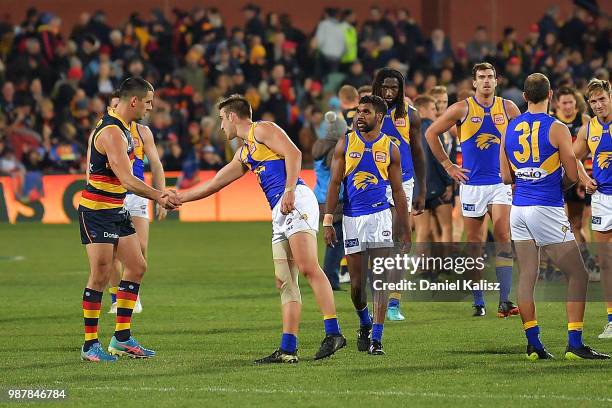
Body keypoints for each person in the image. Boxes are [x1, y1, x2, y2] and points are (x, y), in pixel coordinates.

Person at [178, 94, 346, 363]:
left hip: (296, 200)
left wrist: (290, 190)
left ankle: (333, 332)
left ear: (233, 116)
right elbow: (215, 183)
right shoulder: (244, 152)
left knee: (307, 267)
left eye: (222, 120)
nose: (221, 127)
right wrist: (180, 197)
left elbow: (294, 153)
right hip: (279, 211)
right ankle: (288, 348)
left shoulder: (263, 129)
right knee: (284, 280)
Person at [500, 73, 608, 360]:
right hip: (546, 206)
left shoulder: (510, 127)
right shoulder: (557, 127)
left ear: (524, 96)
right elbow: (573, 175)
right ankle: (574, 342)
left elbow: (504, 175)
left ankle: (534, 344)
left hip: (519, 209)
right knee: (578, 274)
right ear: (550, 97)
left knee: (527, 276)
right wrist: (551, 186)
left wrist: (526, 181)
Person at [78, 77, 178, 362]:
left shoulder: (124, 129)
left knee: (136, 266)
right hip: (97, 212)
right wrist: (159, 196)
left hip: (116, 208)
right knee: (100, 274)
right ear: (133, 101)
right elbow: (126, 178)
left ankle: (121, 338)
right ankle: (90, 345)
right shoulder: (111, 132)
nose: (149, 108)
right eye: (147, 102)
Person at [425, 62, 521, 317]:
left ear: (496, 81)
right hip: (472, 186)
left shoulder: (508, 108)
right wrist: (448, 165)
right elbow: (431, 133)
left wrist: (516, 170)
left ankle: (504, 300)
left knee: (502, 235)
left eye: (490, 76)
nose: (487, 81)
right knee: (476, 245)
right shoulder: (462, 108)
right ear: (475, 82)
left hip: (500, 185)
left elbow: (522, 137)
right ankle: (478, 300)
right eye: (482, 77)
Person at [324, 95, 411, 355]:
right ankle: (364, 322)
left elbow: (398, 190)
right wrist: (328, 221)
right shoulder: (345, 143)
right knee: (357, 286)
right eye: (358, 111)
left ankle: (377, 338)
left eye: (366, 112)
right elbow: (335, 184)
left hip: (380, 217)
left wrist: (404, 227)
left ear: (380, 117)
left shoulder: (391, 148)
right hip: (352, 219)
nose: (359, 116)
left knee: (380, 281)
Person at [372, 67, 426, 321]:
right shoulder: (367, 114)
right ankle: (380, 299)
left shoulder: (410, 116)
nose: (389, 92)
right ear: (378, 87)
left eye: (394, 88)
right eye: (385, 87)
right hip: (373, 183)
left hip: (403, 184)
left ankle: (393, 301)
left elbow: (418, 153)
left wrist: (422, 189)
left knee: (398, 240)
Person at [107, 94, 168, 314]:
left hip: (137, 194)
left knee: (140, 249)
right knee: (112, 251)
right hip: (112, 193)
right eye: (113, 105)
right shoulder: (103, 132)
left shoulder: (143, 132)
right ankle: (117, 299)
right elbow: (89, 167)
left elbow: (157, 165)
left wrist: (160, 196)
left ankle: (133, 294)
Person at [572, 78, 612, 339]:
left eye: (602, 99)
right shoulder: (589, 129)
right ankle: (611, 320)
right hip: (602, 199)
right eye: (593, 101)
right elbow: (572, 156)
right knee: (606, 261)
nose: (598, 105)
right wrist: (585, 179)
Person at [553, 87, 598, 279]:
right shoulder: (552, 121)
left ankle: (585, 259)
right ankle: (560, 265)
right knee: (562, 224)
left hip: (581, 178)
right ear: (557, 104)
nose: (568, 106)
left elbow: (588, 151)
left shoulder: (585, 121)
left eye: (571, 102)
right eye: (564, 103)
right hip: (559, 178)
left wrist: (583, 177)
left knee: (578, 223)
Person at [313, 110, 348, 290]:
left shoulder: (319, 146)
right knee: (337, 241)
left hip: (320, 198)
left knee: (335, 240)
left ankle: (332, 277)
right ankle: (331, 279)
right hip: (335, 200)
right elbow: (337, 176)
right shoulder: (334, 150)